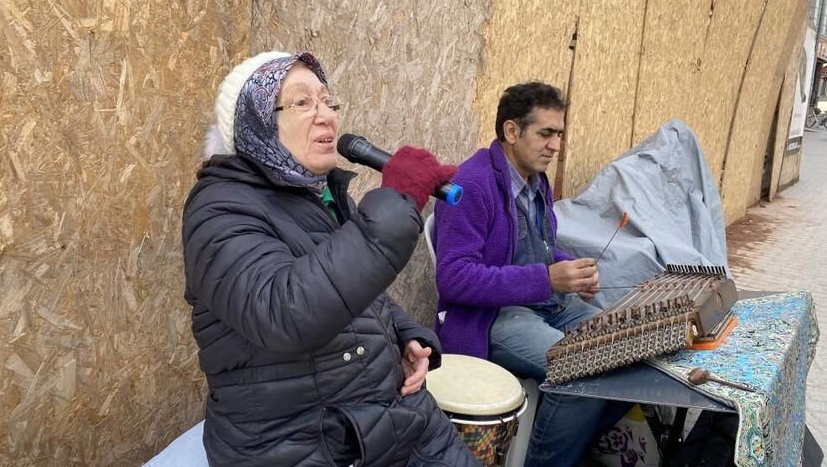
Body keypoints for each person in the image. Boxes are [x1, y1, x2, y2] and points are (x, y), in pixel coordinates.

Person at [182, 51, 480, 467]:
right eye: (302, 102)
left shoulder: (314, 194)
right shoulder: (218, 210)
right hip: (298, 441)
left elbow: (355, 289)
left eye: (326, 100)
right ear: (255, 122)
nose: (326, 116)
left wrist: (404, 335)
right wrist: (396, 201)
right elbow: (286, 311)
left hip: (385, 415)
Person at [433, 82, 628, 467]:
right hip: (491, 317)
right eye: (545, 133)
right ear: (512, 131)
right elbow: (453, 278)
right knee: (580, 367)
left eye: (559, 134)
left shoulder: (535, 179)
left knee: (627, 351)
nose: (555, 145)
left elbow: (537, 247)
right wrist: (547, 279)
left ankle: (572, 445)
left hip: (547, 305)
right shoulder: (470, 185)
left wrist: (572, 270)